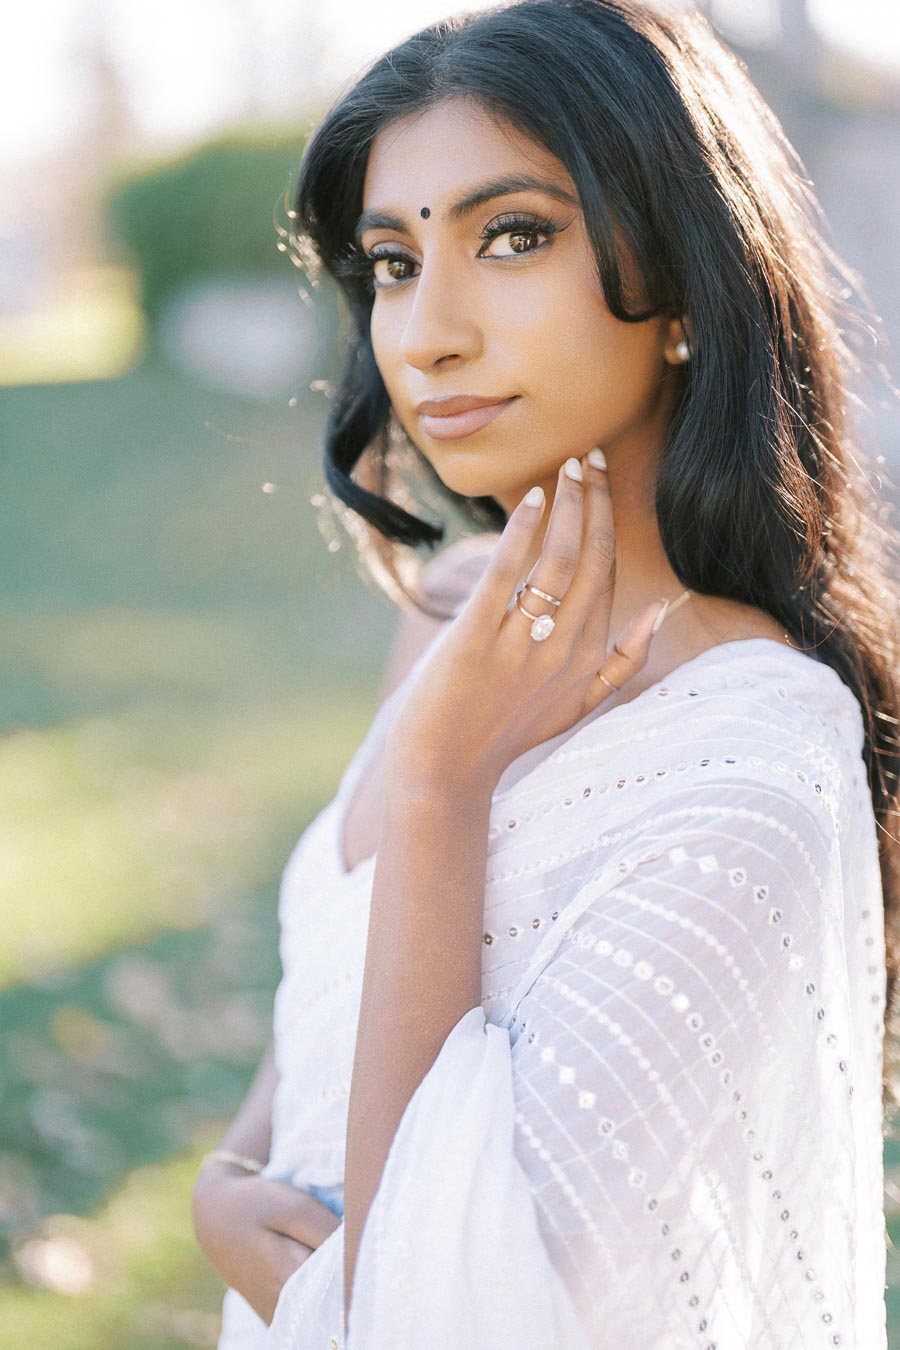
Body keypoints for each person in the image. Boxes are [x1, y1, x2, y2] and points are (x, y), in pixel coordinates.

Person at [192, 1, 900, 1345]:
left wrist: (443, 788)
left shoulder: (753, 766)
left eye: (512, 236)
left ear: (688, 283)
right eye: (394, 261)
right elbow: (335, 990)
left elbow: (458, 1314)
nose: (428, 332)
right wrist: (229, 1177)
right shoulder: (455, 617)